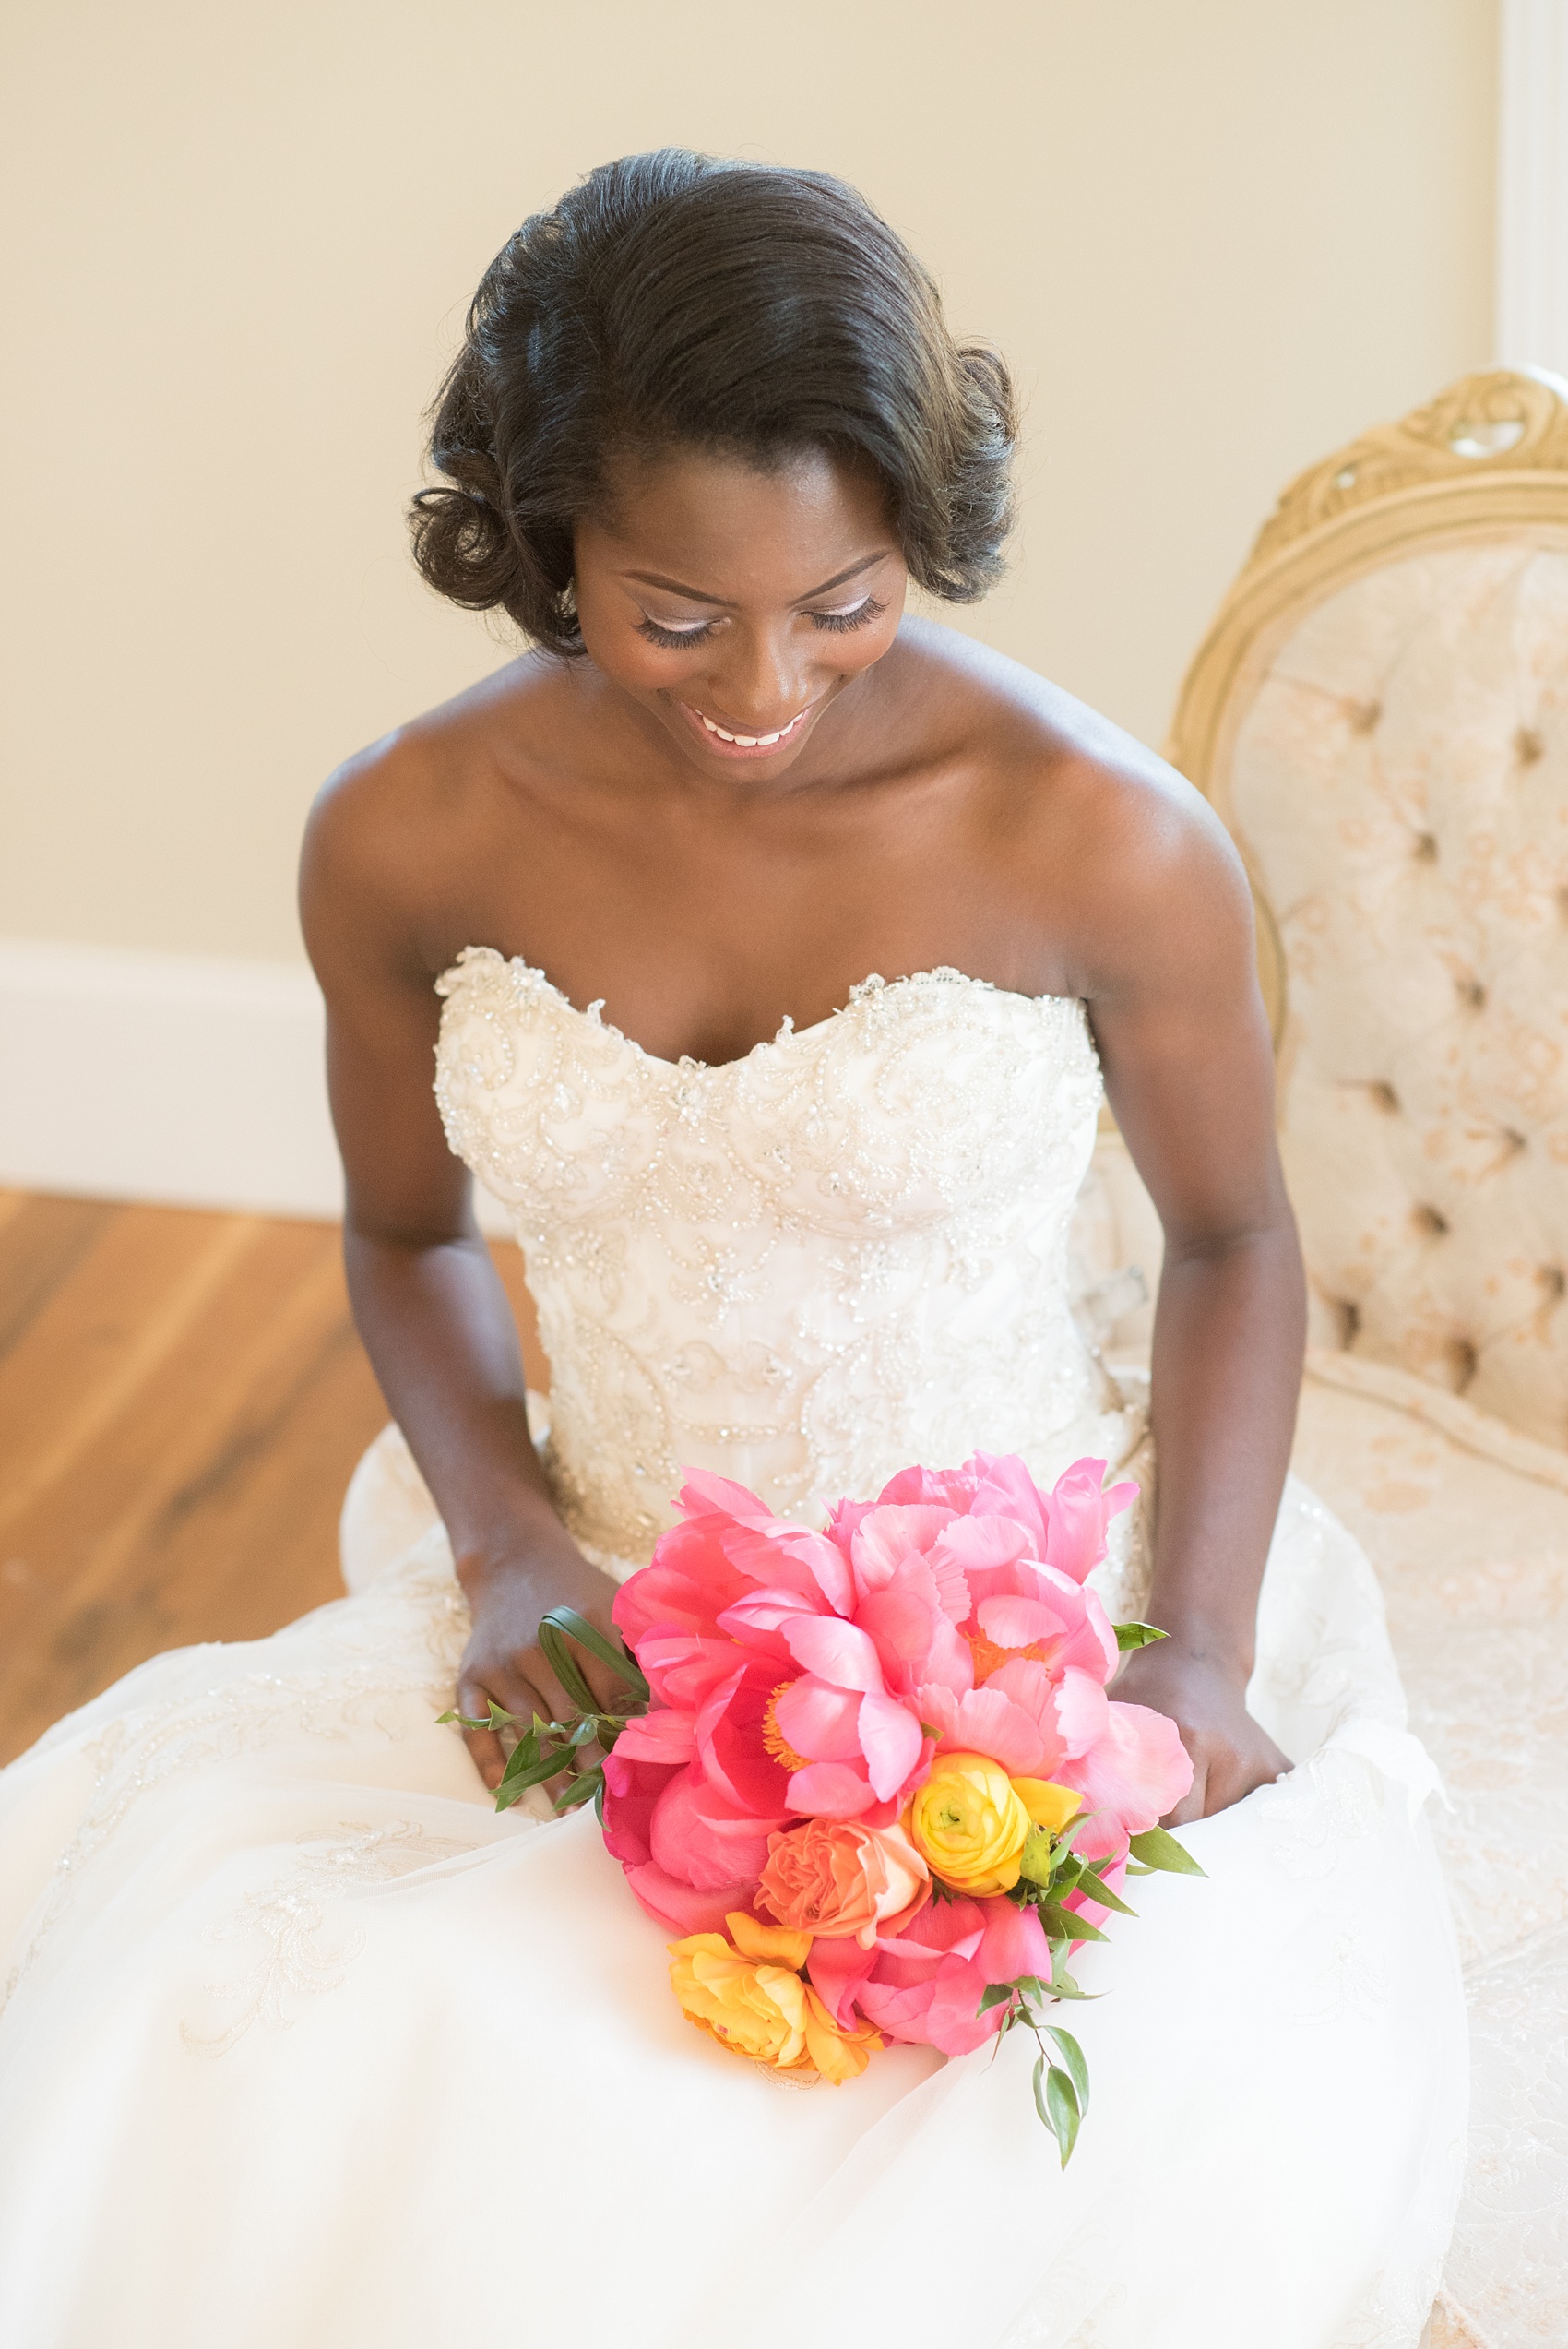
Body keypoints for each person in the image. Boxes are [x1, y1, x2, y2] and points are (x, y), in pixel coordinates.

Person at [0, 151, 1465, 2348]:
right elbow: (408, 1235)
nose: (767, 682)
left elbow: (1236, 1238)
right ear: (539, 540)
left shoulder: (1091, 835)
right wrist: (503, 1546)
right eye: (675, 614)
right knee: (307, 2022)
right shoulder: (403, 831)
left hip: (1023, 1633)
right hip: (599, 1593)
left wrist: (1205, 1648)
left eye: (847, 599)